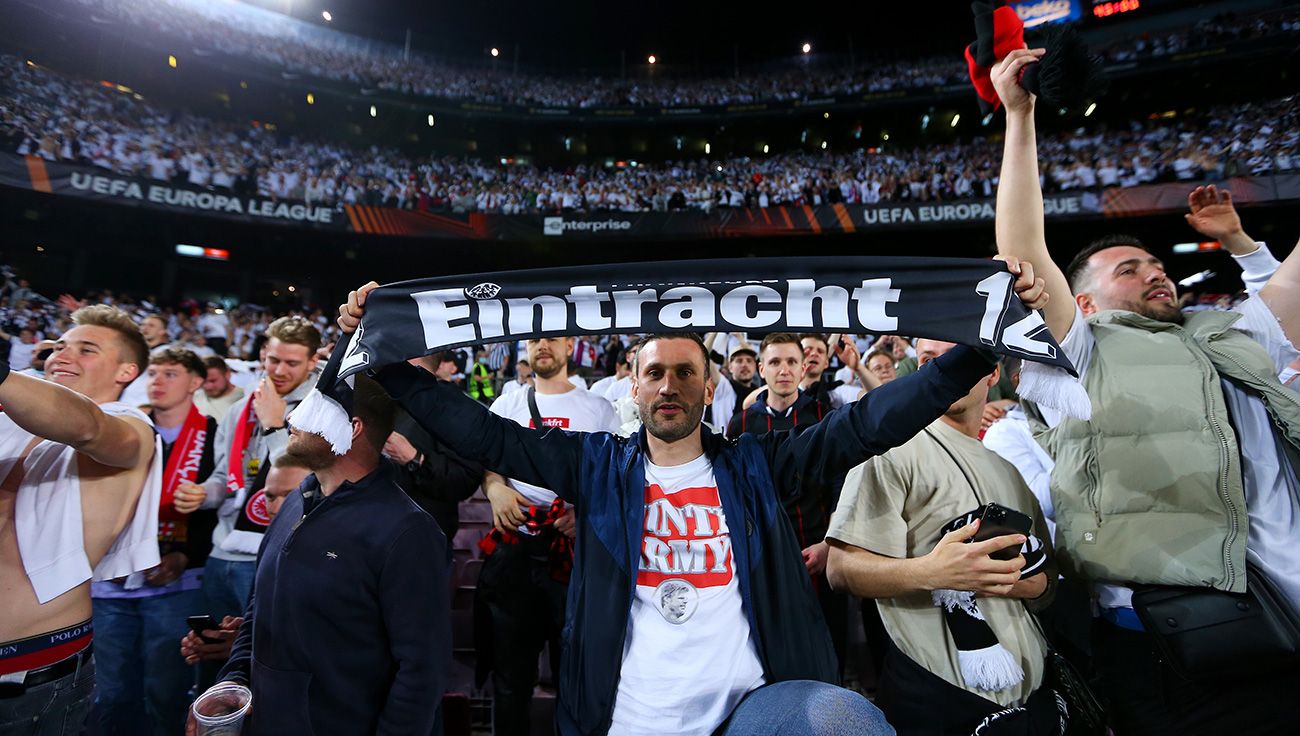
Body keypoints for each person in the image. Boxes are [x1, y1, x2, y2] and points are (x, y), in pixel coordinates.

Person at [339, 260, 1046, 735]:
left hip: (751, 715)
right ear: (634, 386)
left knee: (846, 720)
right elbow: (484, 434)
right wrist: (391, 366)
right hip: (625, 717)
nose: (669, 385)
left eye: (685, 373)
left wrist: (980, 350)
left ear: (710, 389)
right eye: (656, 373)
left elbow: (867, 424)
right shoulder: (593, 466)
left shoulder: (758, 466)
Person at [990, 46, 1300, 734]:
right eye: (1128, 270)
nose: (1155, 272)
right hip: (1181, 644)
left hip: (1288, 620)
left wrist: (1244, 243)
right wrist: (1019, 115)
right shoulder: (1083, 352)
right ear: (1084, 305)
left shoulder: (1232, 332)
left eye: (1157, 263)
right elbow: (1023, 254)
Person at [194, 375, 449, 735]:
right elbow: (257, 613)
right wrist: (233, 682)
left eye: (313, 409)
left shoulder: (408, 532)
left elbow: (421, 670)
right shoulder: (296, 501)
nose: (292, 419)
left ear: (353, 428)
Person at [826, 339, 1057, 734]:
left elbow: (1046, 580)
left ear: (992, 373)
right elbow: (841, 568)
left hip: (1032, 696)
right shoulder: (891, 449)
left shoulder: (1008, 470)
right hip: (942, 699)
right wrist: (933, 573)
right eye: (929, 360)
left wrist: (1033, 585)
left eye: (956, 356)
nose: (942, 369)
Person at [0, 305, 162, 733]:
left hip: (28, 672)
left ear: (126, 371)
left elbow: (88, 426)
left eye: (86, 349)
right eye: (58, 346)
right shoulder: (11, 421)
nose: (62, 355)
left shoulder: (132, 428)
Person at [477, 336, 619, 735]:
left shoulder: (598, 408)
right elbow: (488, 464)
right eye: (534, 339)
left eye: (552, 338)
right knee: (510, 679)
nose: (542, 345)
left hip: (573, 554)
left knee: (575, 677)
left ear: (569, 345)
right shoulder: (506, 404)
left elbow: (614, 474)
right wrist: (494, 488)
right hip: (516, 551)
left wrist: (586, 514)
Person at [91, 348, 219, 736]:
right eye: (153, 374)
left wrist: (185, 555)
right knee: (111, 694)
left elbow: (222, 503)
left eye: (170, 374)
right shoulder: (122, 428)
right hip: (111, 583)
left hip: (177, 583)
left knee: (167, 691)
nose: (157, 382)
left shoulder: (214, 432)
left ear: (196, 382)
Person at [173, 316, 321, 625]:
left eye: (292, 363)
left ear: (312, 362)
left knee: (261, 649)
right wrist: (203, 493)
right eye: (274, 360)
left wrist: (274, 426)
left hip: (279, 553)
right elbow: (225, 477)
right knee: (213, 646)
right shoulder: (242, 407)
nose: (279, 371)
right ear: (264, 353)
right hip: (222, 550)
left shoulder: (323, 408)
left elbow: (308, 484)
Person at [177, 456, 312, 674]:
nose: (277, 507)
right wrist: (240, 634)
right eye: (269, 496)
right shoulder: (271, 549)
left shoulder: (329, 556)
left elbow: (324, 637)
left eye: (290, 496)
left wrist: (248, 645)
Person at [386, 355, 485, 541]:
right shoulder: (385, 399)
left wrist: (415, 459)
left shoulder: (459, 410)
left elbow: (464, 480)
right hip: (377, 529)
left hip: (423, 537)